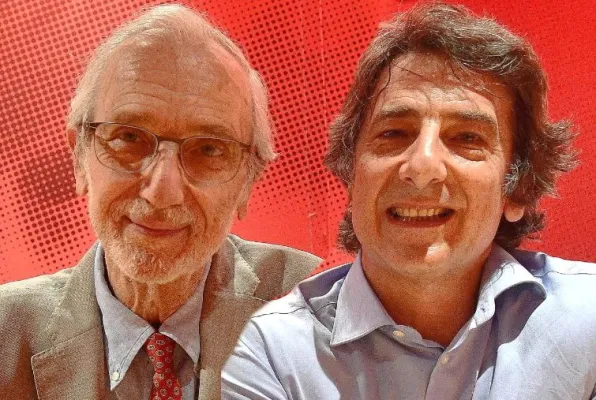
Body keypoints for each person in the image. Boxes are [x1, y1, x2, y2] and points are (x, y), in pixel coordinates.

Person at [222, 3, 596, 399]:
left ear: (516, 189)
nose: (422, 166)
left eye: (467, 138)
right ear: (351, 175)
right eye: (394, 133)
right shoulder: (270, 355)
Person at [0, 4, 321, 399]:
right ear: (80, 159)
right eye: (129, 138)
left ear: (247, 182)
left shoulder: (320, 313)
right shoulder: (5, 335)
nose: (162, 191)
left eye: (208, 149)